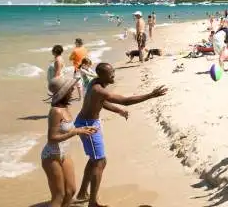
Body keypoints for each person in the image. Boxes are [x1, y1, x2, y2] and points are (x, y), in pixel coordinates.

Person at [75, 62, 168, 207]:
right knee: (100, 161)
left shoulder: (96, 83)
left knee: (95, 160)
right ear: (102, 75)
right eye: (110, 73)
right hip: (88, 126)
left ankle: (82, 193)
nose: (113, 74)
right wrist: (151, 95)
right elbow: (125, 101)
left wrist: (117, 111)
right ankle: (92, 203)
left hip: (90, 122)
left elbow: (101, 103)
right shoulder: (98, 89)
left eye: (113, 71)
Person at [41, 77, 98, 207]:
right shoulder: (55, 111)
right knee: (59, 196)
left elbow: (68, 129)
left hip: (64, 153)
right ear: (64, 92)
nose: (73, 90)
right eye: (70, 88)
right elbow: (52, 138)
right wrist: (75, 132)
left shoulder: (65, 108)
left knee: (70, 191)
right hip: (51, 156)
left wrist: (82, 129)